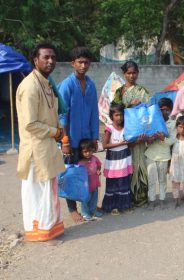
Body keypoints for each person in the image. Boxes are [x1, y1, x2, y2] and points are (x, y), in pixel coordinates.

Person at [16, 42, 65, 242]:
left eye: (53, 57)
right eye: (46, 57)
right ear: (35, 60)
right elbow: (30, 124)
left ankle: (49, 228)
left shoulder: (46, 83)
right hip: (36, 149)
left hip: (47, 147)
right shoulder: (30, 86)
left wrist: (57, 130)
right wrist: (55, 132)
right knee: (36, 193)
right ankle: (39, 231)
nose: (50, 61)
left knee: (48, 190)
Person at [59, 46, 99, 223]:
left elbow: (94, 112)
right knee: (72, 174)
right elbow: (62, 114)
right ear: (73, 63)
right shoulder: (67, 85)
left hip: (86, 140)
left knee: (88, 174)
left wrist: (95, 137)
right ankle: (72, 209)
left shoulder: (90, 84)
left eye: (86, 62)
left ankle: (88, 203)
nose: (83, 65)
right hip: (72, 139)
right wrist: (65, 140)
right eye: (80, 62)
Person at [111, 61, 150, 207]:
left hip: (139, 134)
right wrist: (129, 106)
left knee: (139, 163)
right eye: (128, 73)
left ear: (138, 73)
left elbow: (148, 112)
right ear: (124, 74)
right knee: (124, 164)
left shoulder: (142, 91)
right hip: (124, 134)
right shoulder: (119, 92)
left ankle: (140, 197)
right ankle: (125, 197)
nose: (131, 75)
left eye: (134, 73)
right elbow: (114, 110)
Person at [144, 98, 177, 210]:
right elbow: (146, 139)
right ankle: (152, 200)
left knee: (162, 180)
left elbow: (172, 140)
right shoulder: (151, 121)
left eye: (166, 110)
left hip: (164, 156)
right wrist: (150, 138)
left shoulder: (172, 123)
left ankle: (162, 199)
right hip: (151, 155)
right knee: (151, 179)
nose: (164, 112)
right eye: (161, 110)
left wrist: (163, 138)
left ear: (171, 110)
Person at [102, 104, 133, 215]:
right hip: (114, 160)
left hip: (124, 157)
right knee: (113, 182)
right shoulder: (109, 129)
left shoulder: (126, 127)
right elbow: (104, 145)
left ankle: (123, 206)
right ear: (112, 116)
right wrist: (120, 143)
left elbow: (130, 142)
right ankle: (111, 206)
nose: (119, 117)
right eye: (116, 115)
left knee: (123, 181)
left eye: (121, 115)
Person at [169, 116, 184, 208]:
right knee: (175, 184)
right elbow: (170, 153)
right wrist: (169, 167)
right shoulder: (173, 139)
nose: (182, 129)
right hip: (174, 166)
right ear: (176, 127)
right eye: (180, 127)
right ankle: (176, 200)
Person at [78, 139, 102, 221]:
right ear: (81, 152)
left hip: (94, 183)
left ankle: (93, 211)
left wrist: (98, 170)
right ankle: (85, 213)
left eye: (89, 151)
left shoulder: (94, 158)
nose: (88, 153)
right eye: (85, 151)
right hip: (85, 186)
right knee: (85, 200)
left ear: (92, 150)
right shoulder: (80, 162)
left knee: (94, 199)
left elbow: (99, 165)